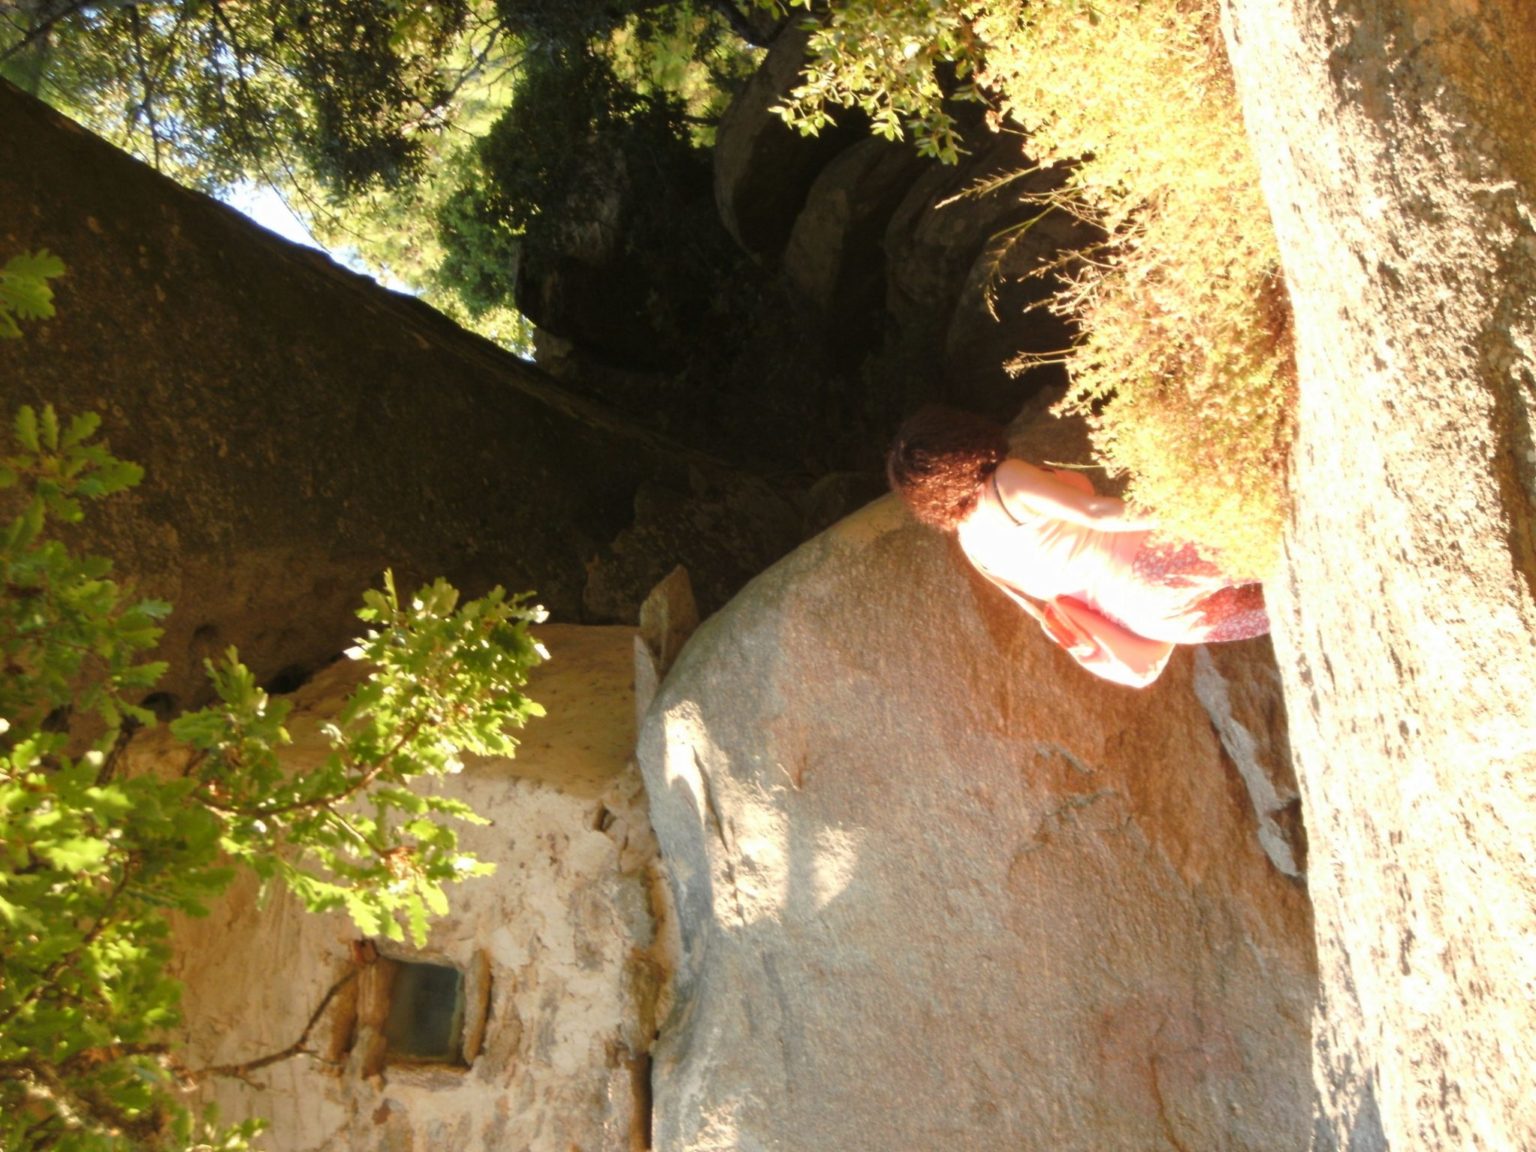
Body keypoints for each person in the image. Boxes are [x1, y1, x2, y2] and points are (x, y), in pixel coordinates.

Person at [886, 405, 1268, 688]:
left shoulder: (973, 544)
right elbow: (1098, 513)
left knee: (1288, 599)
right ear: (962, 440)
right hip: (1153, 560)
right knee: (1283, 534)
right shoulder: (1004, 482)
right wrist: (1186, 509)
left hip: (1144, 616)